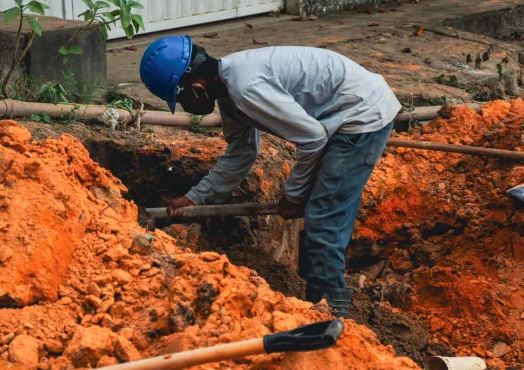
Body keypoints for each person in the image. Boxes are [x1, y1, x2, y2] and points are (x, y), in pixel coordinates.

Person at [140, 36, 401, 318]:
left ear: (197, 89)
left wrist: (294, 195)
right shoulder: (230, 89)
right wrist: (195, 198)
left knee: (325, 220)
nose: (183, 107)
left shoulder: (246, 88)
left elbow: (313, 139)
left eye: (180, 100)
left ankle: (331, 318)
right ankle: (318, 301)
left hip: (361, 116)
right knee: (320, 213)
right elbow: (242, 152)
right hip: (341, 116)